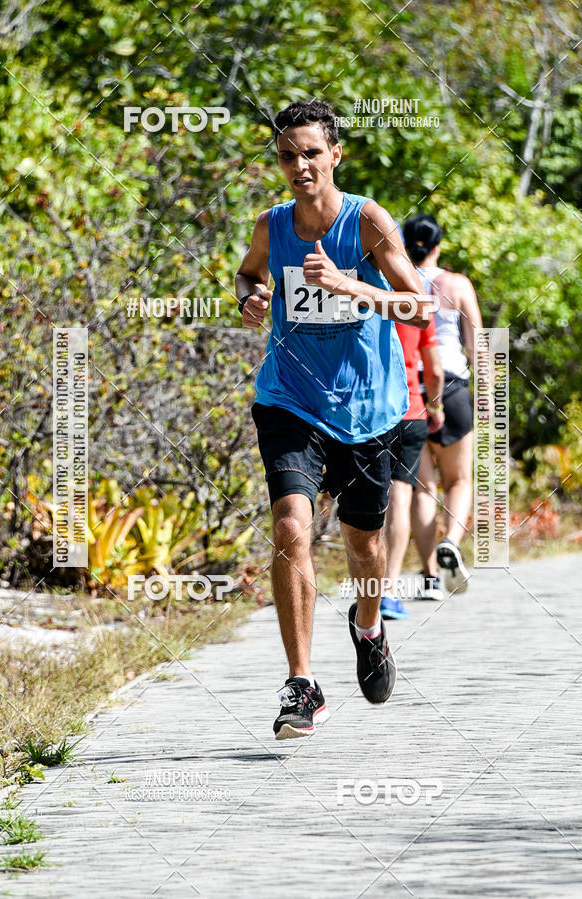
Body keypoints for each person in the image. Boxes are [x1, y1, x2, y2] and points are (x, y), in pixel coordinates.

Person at [235, 99, 434, 739]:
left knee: (363, 545)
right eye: (288, 155)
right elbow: (246, 275)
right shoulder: (273, 225)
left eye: (311, 153)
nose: (300, 166)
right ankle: (302, 685)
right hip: (289, 397)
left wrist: (355, 288)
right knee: (292, 523)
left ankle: (368, 625)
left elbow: (419, 308)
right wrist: (252, 297)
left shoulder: (365, 221)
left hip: (367, 406)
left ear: (335, 155)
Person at [403, 213, 483, 596]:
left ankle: (430, 576)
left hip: (408, 389)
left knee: (422, 487)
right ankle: (450, 540)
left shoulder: (395, 282)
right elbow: (477, 346)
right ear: (438, 245)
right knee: (460, 479)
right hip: (451, 388)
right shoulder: (457, 284)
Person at [381, 315, 444, 618]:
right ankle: (388, 590)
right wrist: (435, 406)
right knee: (400, 495)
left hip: (365, 411)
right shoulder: (417, 303)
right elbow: (434, 371)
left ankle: (368, 585)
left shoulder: (359, 290)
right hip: (410, 410)